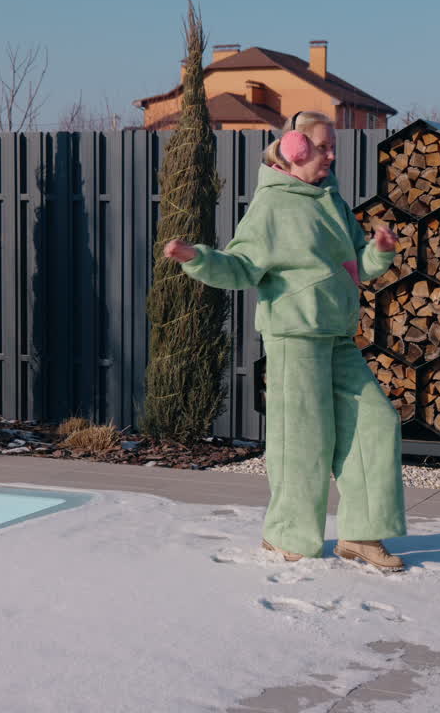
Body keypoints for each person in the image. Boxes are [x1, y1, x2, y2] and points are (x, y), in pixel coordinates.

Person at [163, 111, 407, 572]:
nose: (332, 154)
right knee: (303, 440)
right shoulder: (272, 204)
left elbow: (358, 263)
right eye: (324, 146)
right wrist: (197, 258)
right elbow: (241, 266)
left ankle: (360, 536)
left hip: (337, 336)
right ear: (295, 149)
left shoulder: (329, 198)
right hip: (294, 338)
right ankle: (288, 536)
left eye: (334, 146)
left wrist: (379, 252)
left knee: (377, 423)